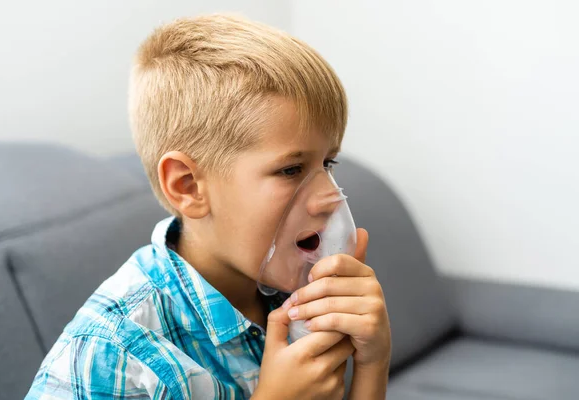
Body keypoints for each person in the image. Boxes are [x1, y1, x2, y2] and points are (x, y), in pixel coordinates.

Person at [26, 14, 391, 399]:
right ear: (188, 187)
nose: (328, 197)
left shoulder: (296, 295)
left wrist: (372, 363)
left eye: (327, 164)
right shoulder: (112, 357)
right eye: (291, 169)